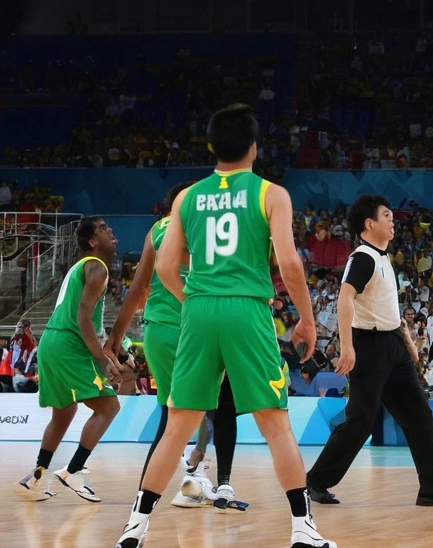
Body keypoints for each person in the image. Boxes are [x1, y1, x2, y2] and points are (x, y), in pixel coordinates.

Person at [115, 104, 331, 548]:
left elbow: (169, 266)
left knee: (178, 425)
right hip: (247, 309)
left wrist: (191, 299)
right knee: (275, 423)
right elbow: (289, 263)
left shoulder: (187, 197)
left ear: (212, 146)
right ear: (254, 148)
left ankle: (134, 529)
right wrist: (307, 320)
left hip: (198, 308)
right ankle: (303, 530)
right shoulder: (271, 193)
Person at [307, 194, 433, 507]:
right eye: (386, 215)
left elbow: (388, 309)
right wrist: (347, 348)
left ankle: (432, 489)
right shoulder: (363, 257)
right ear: (370, 224)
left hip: (392, 346)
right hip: (367, 347)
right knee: (360, 422)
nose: (392, 219)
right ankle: (316, 480)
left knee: (421, 417)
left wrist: (407, 343)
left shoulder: (383, 257)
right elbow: (344, 300)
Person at [107, 181, 246, 510]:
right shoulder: (205, 224)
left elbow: (137, 289)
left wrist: (114, 339)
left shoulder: (156, 230)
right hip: (198, 327)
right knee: (220, 406)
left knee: (171, 415)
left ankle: (147, 498)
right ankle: (214, 478)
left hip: (157, 332)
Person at [14, 217, 122, 502]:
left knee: (63, 413)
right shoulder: (96, 267)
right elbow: (83, 317)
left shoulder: (80, 267)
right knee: (109, 407)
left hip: (50, 341)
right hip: (68, 343)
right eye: (103, 229)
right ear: (92, 242)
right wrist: (101, 359)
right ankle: (73, 470)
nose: (110, 230)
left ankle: (36, 478)